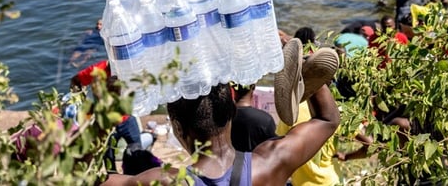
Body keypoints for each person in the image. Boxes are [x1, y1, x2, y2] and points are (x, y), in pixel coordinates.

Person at [102, 81, 340, 186]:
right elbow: (327, 120)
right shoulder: (270, 162)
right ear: (232, 112)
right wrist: (310, 78)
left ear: (177, 127)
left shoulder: (165, 180)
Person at [231, 84, 278, 153]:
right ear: (253, 88)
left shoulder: (223, 117)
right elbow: (273, 150)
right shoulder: (265, 119)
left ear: (233, 89)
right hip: (257, 162)